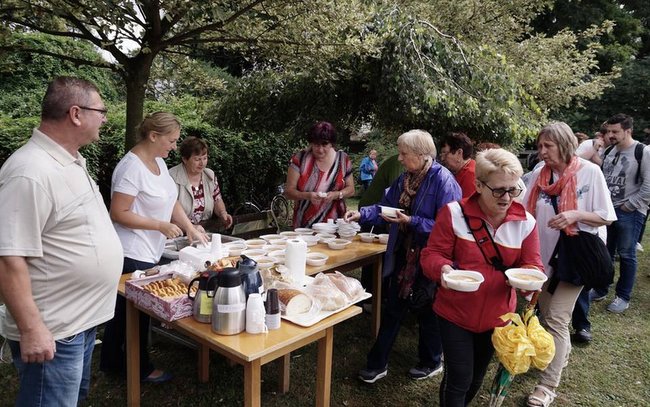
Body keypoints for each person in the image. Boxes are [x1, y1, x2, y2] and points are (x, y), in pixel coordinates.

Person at [0, 76, 123, 405]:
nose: (105, 118)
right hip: (53, 331)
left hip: (79, 323)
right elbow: (8, 258)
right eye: (101, 110)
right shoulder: (29, 171)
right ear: (76, 113)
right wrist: (31, 329)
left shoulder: (70, 160)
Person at [421, 148, 543, 407]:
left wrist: (530, 280)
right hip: (455, 312)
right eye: (499, 190)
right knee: (460, 377)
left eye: (513, 190)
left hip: (498, 316)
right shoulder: (454, 213)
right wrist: (443, 270)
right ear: (478, 184)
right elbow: (432, 254)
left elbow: (533, 264)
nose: (507, 197)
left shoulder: (526, 222)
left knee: (476, 376)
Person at [344, 129, 461, 383]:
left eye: (404, 154)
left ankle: (432, 361)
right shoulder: (407, 179)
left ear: (421, 155)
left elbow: (449, 226)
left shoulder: (444, 181)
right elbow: (387, 207)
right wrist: (362, 214)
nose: (399, 159)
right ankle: (377, 364)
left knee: (426, 308)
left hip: (430, 256)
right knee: (394, 306)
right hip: (404, 253)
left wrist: (412, 221)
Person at [100, 112, 207, 382]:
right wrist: (159, 226)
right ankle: (140, 368)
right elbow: (118, 212)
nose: (174, 146)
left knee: (124, 313)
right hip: (130, 252)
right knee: (135, 315)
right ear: (153, 136)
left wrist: (191, 228)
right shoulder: (130, 168)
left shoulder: (158, 161)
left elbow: (171, 201)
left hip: (148, 249)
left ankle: (112, 363)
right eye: (171, 140)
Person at [523, 122, 615, 407]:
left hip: (575, 257)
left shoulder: (590, 172)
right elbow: (524, 207)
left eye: (547, 146)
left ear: (564, 144)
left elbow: (606, 216)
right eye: (539, 146)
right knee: (549, 314)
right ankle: (560, 356)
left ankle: (547, 385)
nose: (541, 152)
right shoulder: (540, 174)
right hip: (544, 256)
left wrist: (575, 214)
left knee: (557, 319)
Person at [590, 113, 650, 313]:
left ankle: (623, 296)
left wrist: (630, 205)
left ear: (628, 131)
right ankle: (601, 289)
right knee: (605, 253)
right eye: (609, 131)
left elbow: (649, 185)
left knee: (627, 254)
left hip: (629, 212)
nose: (611, 135)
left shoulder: (642, 151)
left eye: (615, 131)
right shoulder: (610, 151)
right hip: (608, 211)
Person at [284, 121, 355, 228]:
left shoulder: (343, 160)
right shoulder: (300, 159)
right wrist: (307, 196)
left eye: (325, 144)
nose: (320, 150)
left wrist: (337, 194)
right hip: (304, 225)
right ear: (311, 143)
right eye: (316, 144)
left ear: (332, 143)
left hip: (335, 224)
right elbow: (289, 192)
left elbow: (351, 190)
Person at [358, 153, 403, 297]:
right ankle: (370, 297)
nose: (401, 157)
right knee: (373, 256)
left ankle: (378, 295)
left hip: (379, 211)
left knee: (380, 256)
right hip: (374, 211)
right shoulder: (399, 164)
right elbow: (395, 197)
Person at [169, 136, 233, 231]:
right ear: (185, 159)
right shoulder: (172, 177)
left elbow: (217, 199)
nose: (202, 163)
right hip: (178, 233)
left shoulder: (209, 175)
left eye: (205, 158)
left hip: (203, 231)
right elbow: (170, 210)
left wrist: (223, 213)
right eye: (197, 159)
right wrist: (191, 228)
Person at [439, 131, 476, 197]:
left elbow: (467, 205)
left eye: (445, 153)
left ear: (459, 153)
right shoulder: (461, 171)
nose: (442, 159)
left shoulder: (470, 175)